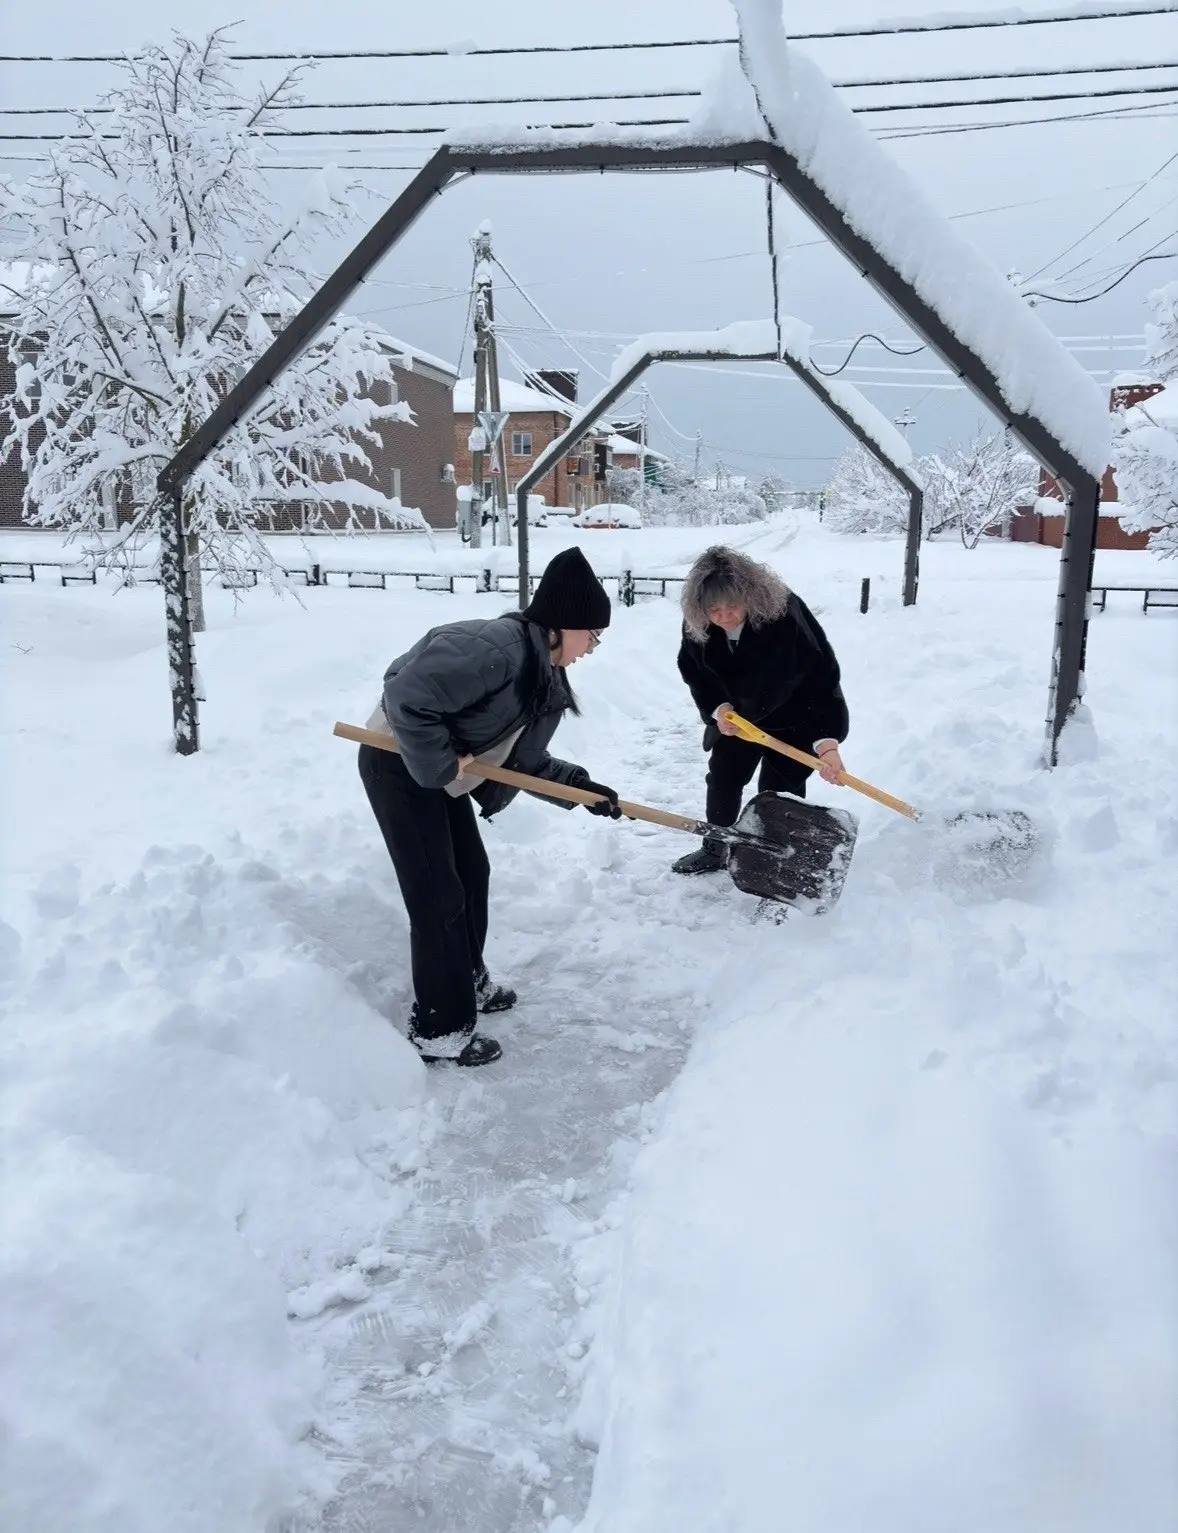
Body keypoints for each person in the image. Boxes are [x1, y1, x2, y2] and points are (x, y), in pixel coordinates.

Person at [358, 547, 621, 1067]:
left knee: (471, 873)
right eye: (592, 634)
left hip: (437, 771)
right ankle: (441, 1029)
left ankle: (468, 980)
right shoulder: (493, 646)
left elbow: (519, 761)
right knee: (437, 896)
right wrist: (439, 766)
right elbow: (407, 694)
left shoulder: (543, 673)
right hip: (398, 763)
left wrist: (582, 789)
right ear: (565, 624)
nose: (593, 646)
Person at [673, 545, 849, 875]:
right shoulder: (697, 623)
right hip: (737, 721)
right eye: (714, 609)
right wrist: (719, 710)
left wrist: (827, 744)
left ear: (750, 596)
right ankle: (716, 847)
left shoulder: (784, 616)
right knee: (723, 779)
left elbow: (822, 676)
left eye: (732, 606)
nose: (724, 616)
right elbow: (693, 670)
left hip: (793, 719)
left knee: (780, 792)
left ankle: (780, 858)